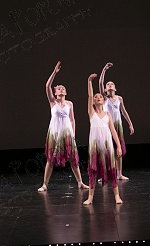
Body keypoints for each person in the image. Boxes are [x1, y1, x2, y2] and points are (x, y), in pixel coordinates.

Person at [37, 61, 89, 192]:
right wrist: (54, 72)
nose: (61, 89)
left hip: (67, 133)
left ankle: (80, 182)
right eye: (59, 88)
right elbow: (47, 86)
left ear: (66, 92)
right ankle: (45, 184)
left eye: (63, 88)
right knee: (50, 158)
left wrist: (73, 135)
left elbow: (72, 120)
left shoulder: (70, 104)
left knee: (72, 158)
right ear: (55, 93)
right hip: (55, 132)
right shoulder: (52, 102)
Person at [83, 73, 124, 205]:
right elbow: (89, 96)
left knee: (112, 169)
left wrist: (118, 146)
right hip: (95, 146)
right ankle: (90, 197)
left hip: (107, 146)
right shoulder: (91, 113)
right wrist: (89, 81)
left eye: (100, 96)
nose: (98, 98)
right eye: (96, 97)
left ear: (103, 100)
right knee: (93, 170)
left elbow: (113, 131)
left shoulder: (107, 115)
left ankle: (117, 196)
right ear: (94, 102)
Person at [98, 62, 135, 180]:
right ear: (105, 89)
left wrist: (130, 124)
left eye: (112, 84)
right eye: (108, 84)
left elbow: (123, 111)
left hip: (118, 126)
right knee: (106, 150)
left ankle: (119, 174)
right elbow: (100, 83)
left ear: (115, 88)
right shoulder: (104, 98)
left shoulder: (119, 98)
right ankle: (104, 174)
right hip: (107, 126)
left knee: (119, 149)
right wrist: (104, 69)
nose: (109, 85)